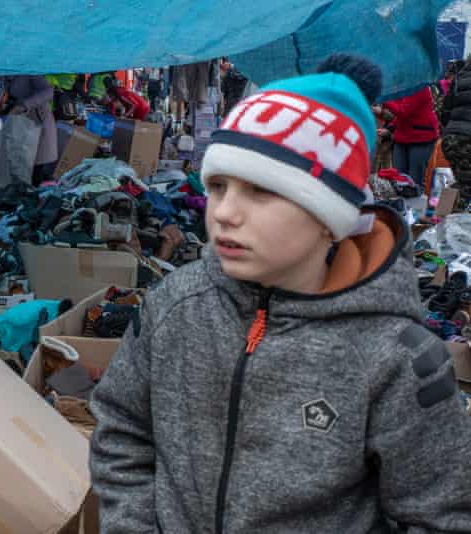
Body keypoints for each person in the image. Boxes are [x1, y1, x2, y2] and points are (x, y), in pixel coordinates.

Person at [90, 54, 471, 533]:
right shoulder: (175, 306)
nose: (225, 213)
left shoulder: (396, 358)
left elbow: (441, 514)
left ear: (327, 216)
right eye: (219, 186)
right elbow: (122, 431)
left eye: (262, 192)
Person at [375, 86, 439, 185]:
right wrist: (389, 129)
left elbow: (403, 111)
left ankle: (415, 197)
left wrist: (384, 99)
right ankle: (400, 198)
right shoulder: (404, 88)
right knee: (398, 178)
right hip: (402, 137)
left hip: (421, 138)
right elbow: (401, 115)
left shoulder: (420, 88)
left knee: (415, 180)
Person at [5, 75, 58, 183]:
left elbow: (49, 91)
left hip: (39, 125)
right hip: (20, 127)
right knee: (20, 168)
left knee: (35, 170)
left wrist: (25, 105)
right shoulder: (1, 75)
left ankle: (33, 195)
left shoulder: (30, 71)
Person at [442, 57, 471, 204]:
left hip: (451, 138)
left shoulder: (458, 78)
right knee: (466, 188)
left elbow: (445, 111)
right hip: (467, 139)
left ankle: (442, 218)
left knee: (460, 183)